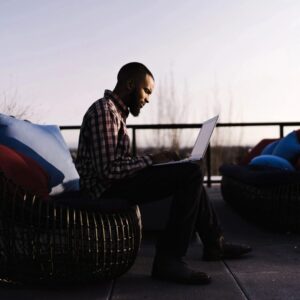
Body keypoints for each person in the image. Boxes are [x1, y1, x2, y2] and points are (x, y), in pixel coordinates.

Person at [76, 62, 252, 285]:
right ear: (130, 84)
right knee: (190, 174)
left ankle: (214, 243)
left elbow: (115, 164)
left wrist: (155, 161)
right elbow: (108, 171)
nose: (148, 99)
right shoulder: (104, 112)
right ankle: (169, 260)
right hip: (104, 190)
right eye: (147, 91)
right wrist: (152, 160)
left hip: (114, 183)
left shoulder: (115, 113)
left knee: (190, 170)